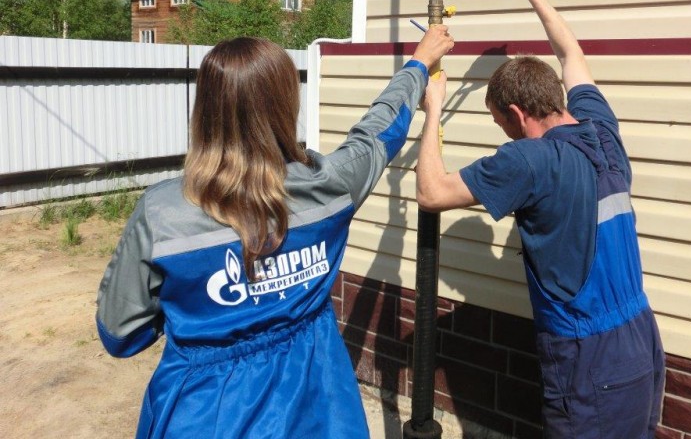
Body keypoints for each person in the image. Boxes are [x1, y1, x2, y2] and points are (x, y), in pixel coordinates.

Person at [95, 29, 454, 439]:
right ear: (286, 103)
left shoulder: (162, 214)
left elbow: (121, 334)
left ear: (206, 108)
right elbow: (379, 132)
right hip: (320, 401)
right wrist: (419, 64)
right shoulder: (331, 185)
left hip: (208, 412)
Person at [416, 0, 665, 438]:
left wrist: (433, 110)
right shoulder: (599, 130)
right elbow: (571, 53)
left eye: (499, 123)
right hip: (641, 338)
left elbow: (431, 192)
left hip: (588, 356)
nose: (502, 133)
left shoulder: (529, 161)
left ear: (514, 113)